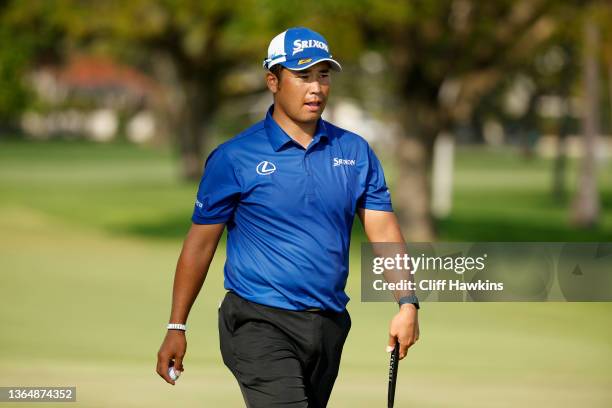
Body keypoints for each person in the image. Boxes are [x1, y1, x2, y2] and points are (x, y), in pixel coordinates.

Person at [156, 26, 420, 407]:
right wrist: (176, 325)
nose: (316, 88)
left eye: (323, 75)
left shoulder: (355, 151)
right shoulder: (235, 157)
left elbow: (384, 231)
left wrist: (407, 302)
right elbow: (199, 245)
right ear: (273, 81)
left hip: (328, 324)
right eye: (302, 75)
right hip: (257, 321)